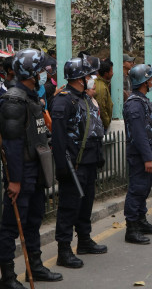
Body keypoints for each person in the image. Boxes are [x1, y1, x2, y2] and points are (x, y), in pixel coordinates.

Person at [0, 49, 63, 288]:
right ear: (31, 73)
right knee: (11, 227)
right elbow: (12, 146)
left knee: (34, 220)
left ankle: (35, 267)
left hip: (35, 171)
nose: (45, 74)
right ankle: (8, 278)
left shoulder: (32, 97)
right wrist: (14, 180)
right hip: (21, 173)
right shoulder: (13, 100)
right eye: (41, 71)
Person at [51, 56, 107, 269]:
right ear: (79, 78)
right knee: (68, 207)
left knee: (86, 203)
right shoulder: (63, 100)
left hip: (90, 161)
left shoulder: (84, 97)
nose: (91, 79)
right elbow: (57, 137)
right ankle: (63, 250)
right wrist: (63, 167)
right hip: (73, 164)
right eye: (88, 75)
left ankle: (84, 239)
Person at [123, 64, 152, 244]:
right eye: (150, 79)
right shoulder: (134, 104)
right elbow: (139, 135)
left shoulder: (142, 100)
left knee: (144, 189)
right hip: (139, 155)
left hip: (146, 153)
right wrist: (147, 157)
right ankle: (132, 228)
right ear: (145, 82)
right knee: (137, 189)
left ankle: (141, 220)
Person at [95, 58, 114, 130]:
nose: (113, 73)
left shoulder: (102, 84)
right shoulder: (101, 88)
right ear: (106, 74)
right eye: (111, 71)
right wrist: (106, 122)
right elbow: (101, 107)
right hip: (102, 125)